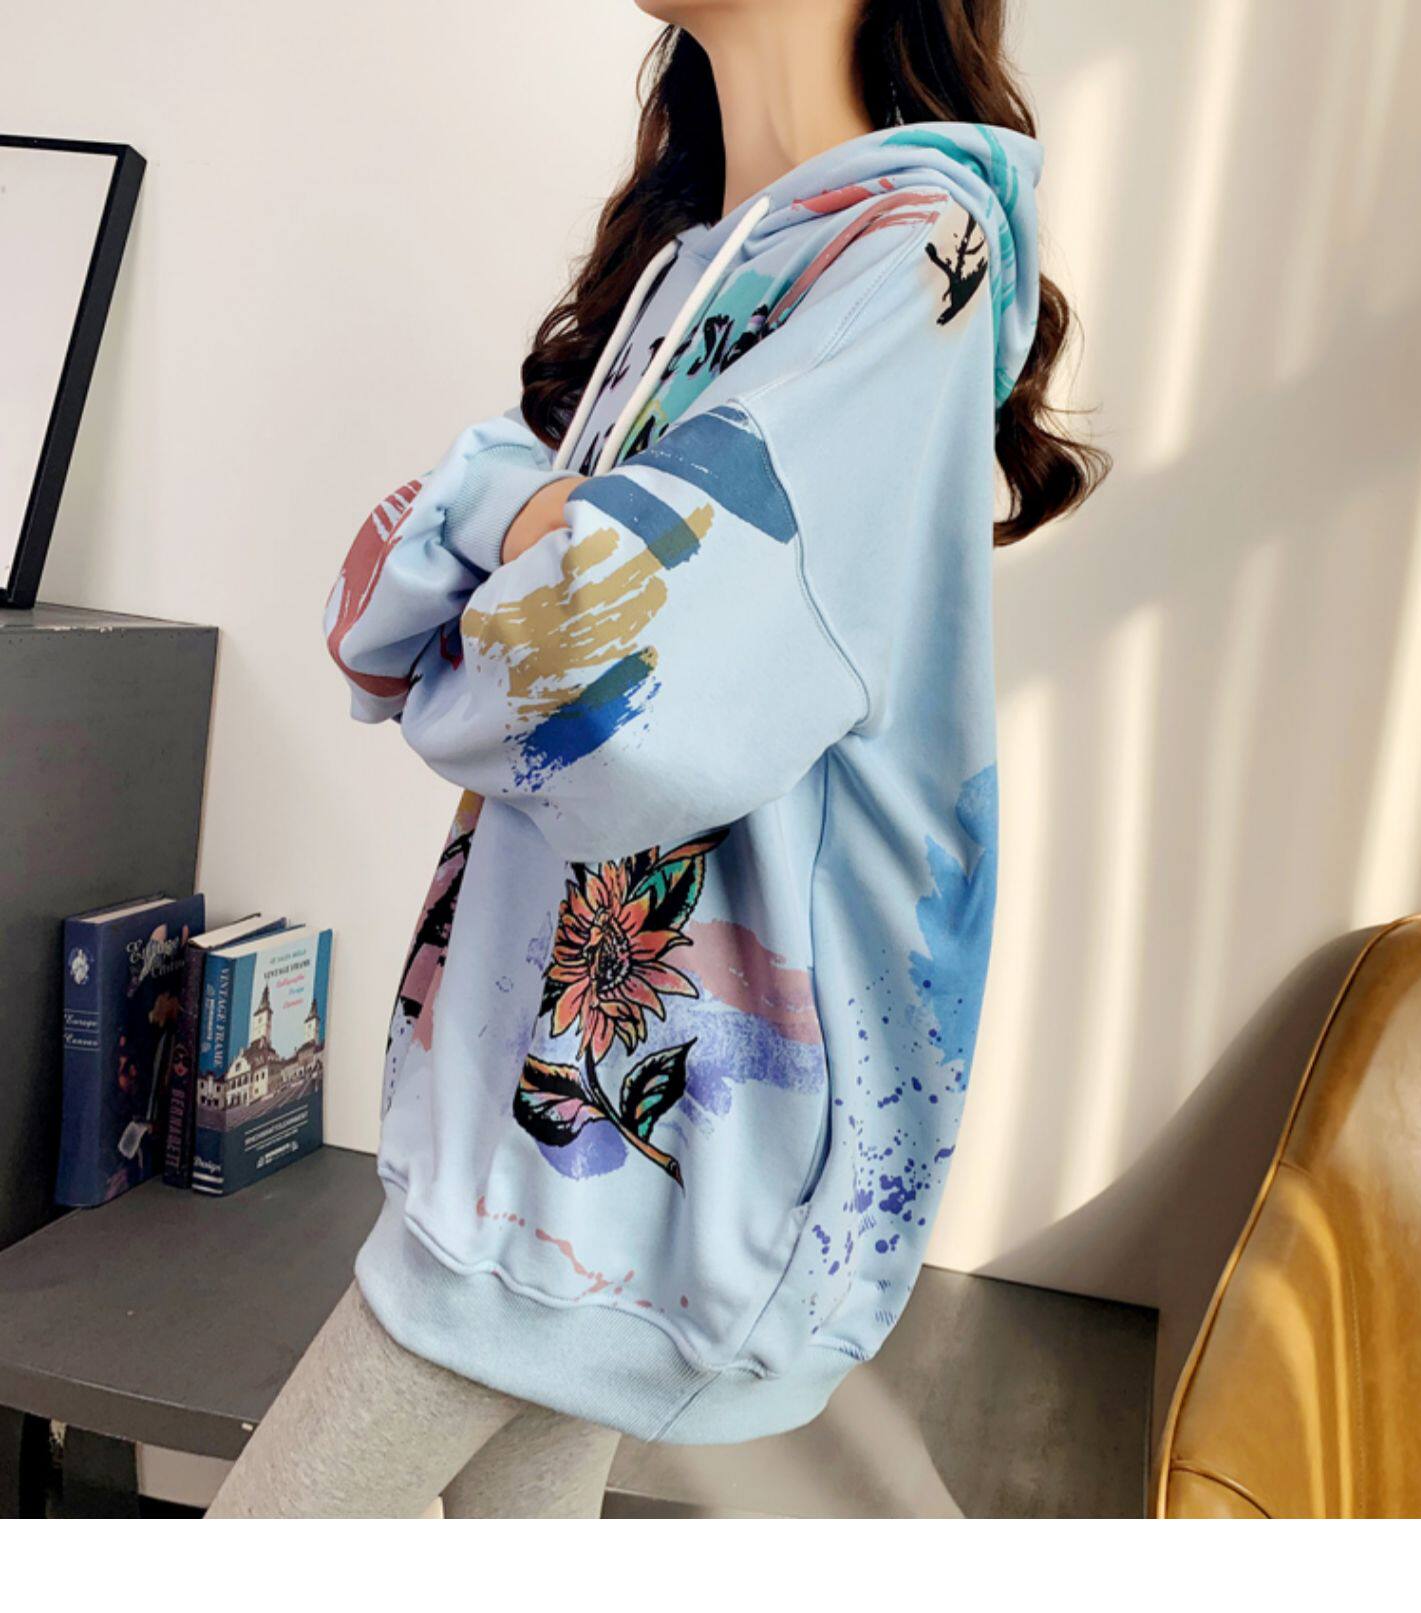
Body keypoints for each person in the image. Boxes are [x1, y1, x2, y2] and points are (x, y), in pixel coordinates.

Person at [209, 0, 1107, 1519]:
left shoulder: (916, 256)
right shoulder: (689, 271)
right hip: (524, 1111)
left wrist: (485, 500)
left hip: (648, 1157)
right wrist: (535, 541)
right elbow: (398, 627)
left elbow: (599, 689)